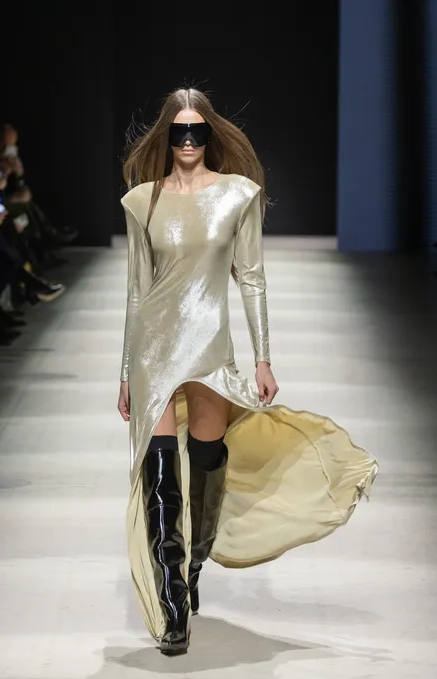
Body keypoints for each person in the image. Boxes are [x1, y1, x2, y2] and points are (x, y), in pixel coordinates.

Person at [117, 87, 379, 656]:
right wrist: (125, 372)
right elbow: (137, 291)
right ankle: (172, 602)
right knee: (160, 473)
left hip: (210, 349)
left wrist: (263, 358)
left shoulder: (237, 195)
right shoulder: (141, 202)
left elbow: (252, 277)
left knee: (207, 460)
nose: (188, 141)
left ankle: (193, 563)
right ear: (167, 137)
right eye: (179, 132)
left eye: (197, 132)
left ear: (209, 135)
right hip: (154, 351)